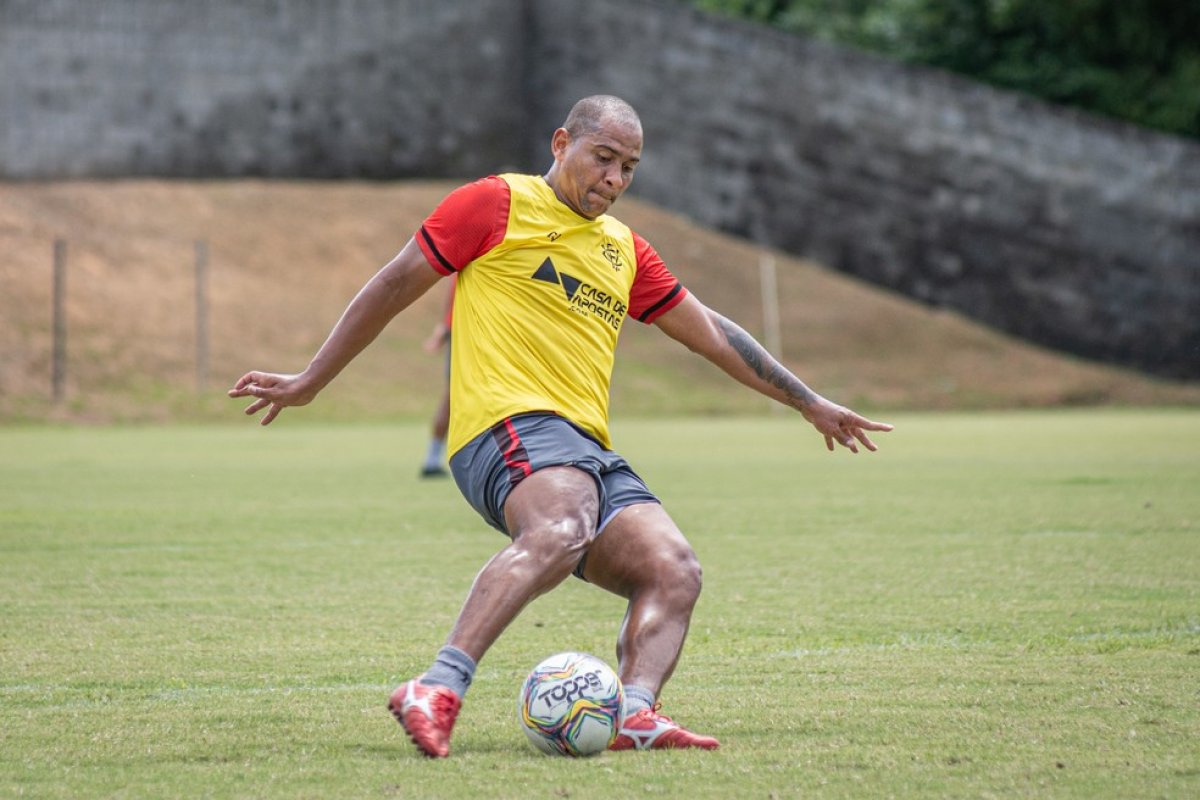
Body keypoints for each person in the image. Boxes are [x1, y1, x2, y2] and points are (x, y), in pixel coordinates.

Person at [229, 95, 892, 758]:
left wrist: (808, 402)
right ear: (560, 144)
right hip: (504, 424)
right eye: (603, 157)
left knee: (673, 568)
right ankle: (436, 686)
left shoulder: (625, 250)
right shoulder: (495, 203)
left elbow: (713, 333)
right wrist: (311, 378)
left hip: (585, 450)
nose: (614, 179)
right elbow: (396, 282)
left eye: (629, 167)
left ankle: (633, 712)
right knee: (562, 526)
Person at [418, 276, 455, 477]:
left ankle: (432, 459)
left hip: (463, 331)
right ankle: (432, 459)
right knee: (452, 397)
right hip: (464, 333)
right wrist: (444, 328)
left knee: (452, 397)